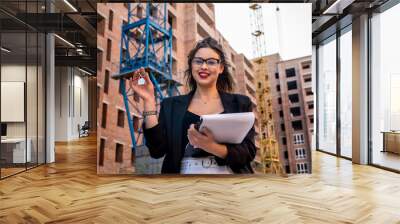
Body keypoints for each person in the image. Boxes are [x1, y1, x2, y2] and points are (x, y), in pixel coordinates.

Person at [129, 37, 256, 174]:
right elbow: (157, 150)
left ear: (221, 68)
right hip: (181, 187)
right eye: (198, 61)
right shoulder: (171, 105)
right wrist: (149, 101)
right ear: (191, 66)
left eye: (211, 62)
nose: (204, 67)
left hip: (230, 186)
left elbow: (248, 151)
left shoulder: (240, 103)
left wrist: (211, 146)